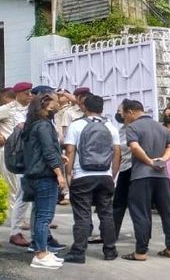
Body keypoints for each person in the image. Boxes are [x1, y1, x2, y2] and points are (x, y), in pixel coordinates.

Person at [62, 94, 121, 264]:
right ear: (102, 109)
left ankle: (78, 252)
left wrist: (68, 174)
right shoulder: (111, 126)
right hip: (105, 176)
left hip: (82, 176)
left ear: (84, 108)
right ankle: (110, 250)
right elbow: (117, 153)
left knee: (82, 214)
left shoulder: (76, 125)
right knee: (106, 214)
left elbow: (70, 151)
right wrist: (113, 174)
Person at [122, 98, 170, 261]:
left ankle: (141, 251)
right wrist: (163, 160)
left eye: (124, 114)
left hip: (141, 176)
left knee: (141, 212)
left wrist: (149, 162)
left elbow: (134, 146)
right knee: (167, 211)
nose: (124, 118)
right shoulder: (161, 127)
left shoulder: (132, 127)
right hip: (162, 175)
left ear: (131, 112)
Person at [22, 92, 66, 270]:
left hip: (34, 175)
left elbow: (39, 151)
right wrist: (60, 174)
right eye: (56, 101)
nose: (59, 103)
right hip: (44, 176)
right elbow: (48, 151)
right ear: (47, 103)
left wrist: (59, 157)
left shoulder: (32, 125)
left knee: (40, 215)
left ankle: (43, 251)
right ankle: (40, 254)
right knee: (44, 217)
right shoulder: (44, 125)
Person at [0, 81, 33, 248]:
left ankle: (21, 222)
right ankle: (16, 229)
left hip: (25, 153)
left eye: (30, 93)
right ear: (18, 94)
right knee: (15, 188)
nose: (29, 96)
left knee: (23, 190)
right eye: (26, 93)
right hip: (9, 153)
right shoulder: (9, 108)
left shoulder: (29, 108)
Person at [111, 111, 133, 238]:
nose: (118, 113)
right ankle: (112, 233)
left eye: (120, 111)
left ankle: (143, 237)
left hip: (134, 168)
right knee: (118, 203)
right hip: (124, 168)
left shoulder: (134, 128)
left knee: (136, 205)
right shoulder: (120, 130)